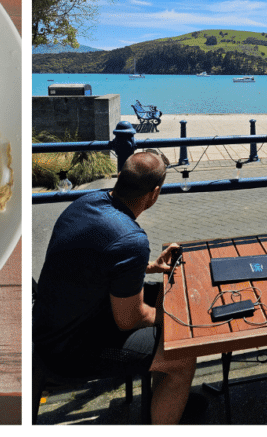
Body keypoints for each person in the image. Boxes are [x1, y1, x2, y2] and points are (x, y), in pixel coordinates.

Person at [33, 151, 199, 424]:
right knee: (183, 356)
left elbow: (95, 260)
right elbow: (129, 320)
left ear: (120, 177)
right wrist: (176, 320)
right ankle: (167, 414)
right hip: (70, 350)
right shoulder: (130, 239)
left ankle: (168, 399)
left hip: (48, 326)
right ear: (154, 193)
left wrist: (146, 267)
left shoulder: (86, 202)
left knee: (165, 299)